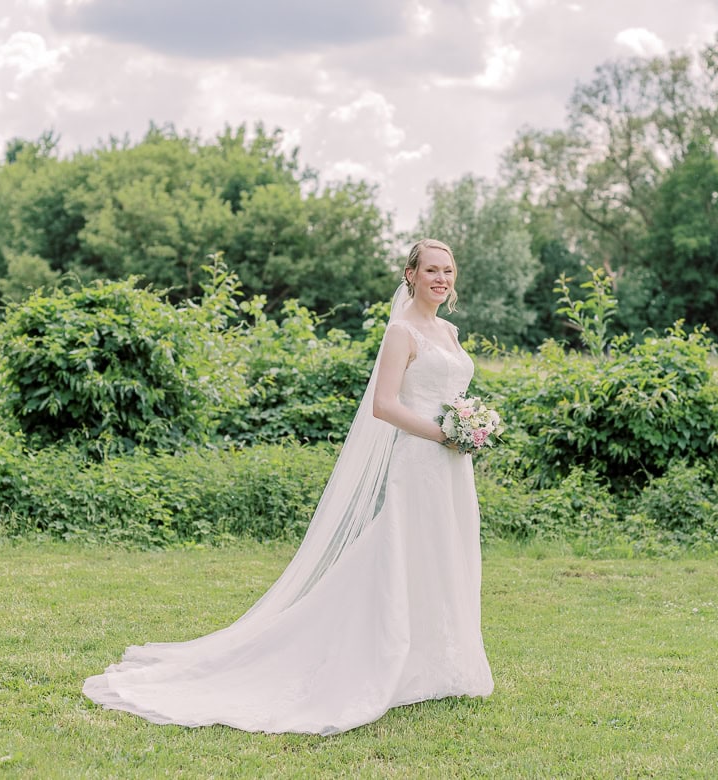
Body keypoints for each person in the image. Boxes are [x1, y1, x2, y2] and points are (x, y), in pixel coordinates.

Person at [83, 238, 494, 735]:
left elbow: (452, 394)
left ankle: (439, 664)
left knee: (446, 555)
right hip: (420, 458)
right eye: (431, 269)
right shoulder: (400, 331)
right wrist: (444, 431)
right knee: (404, 553)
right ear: (410, 274)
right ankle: (378, 655)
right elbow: (383, 405)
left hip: (453, 464)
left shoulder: (448, 331)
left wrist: (470, 425)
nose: (441, 279)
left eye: (447, 271)